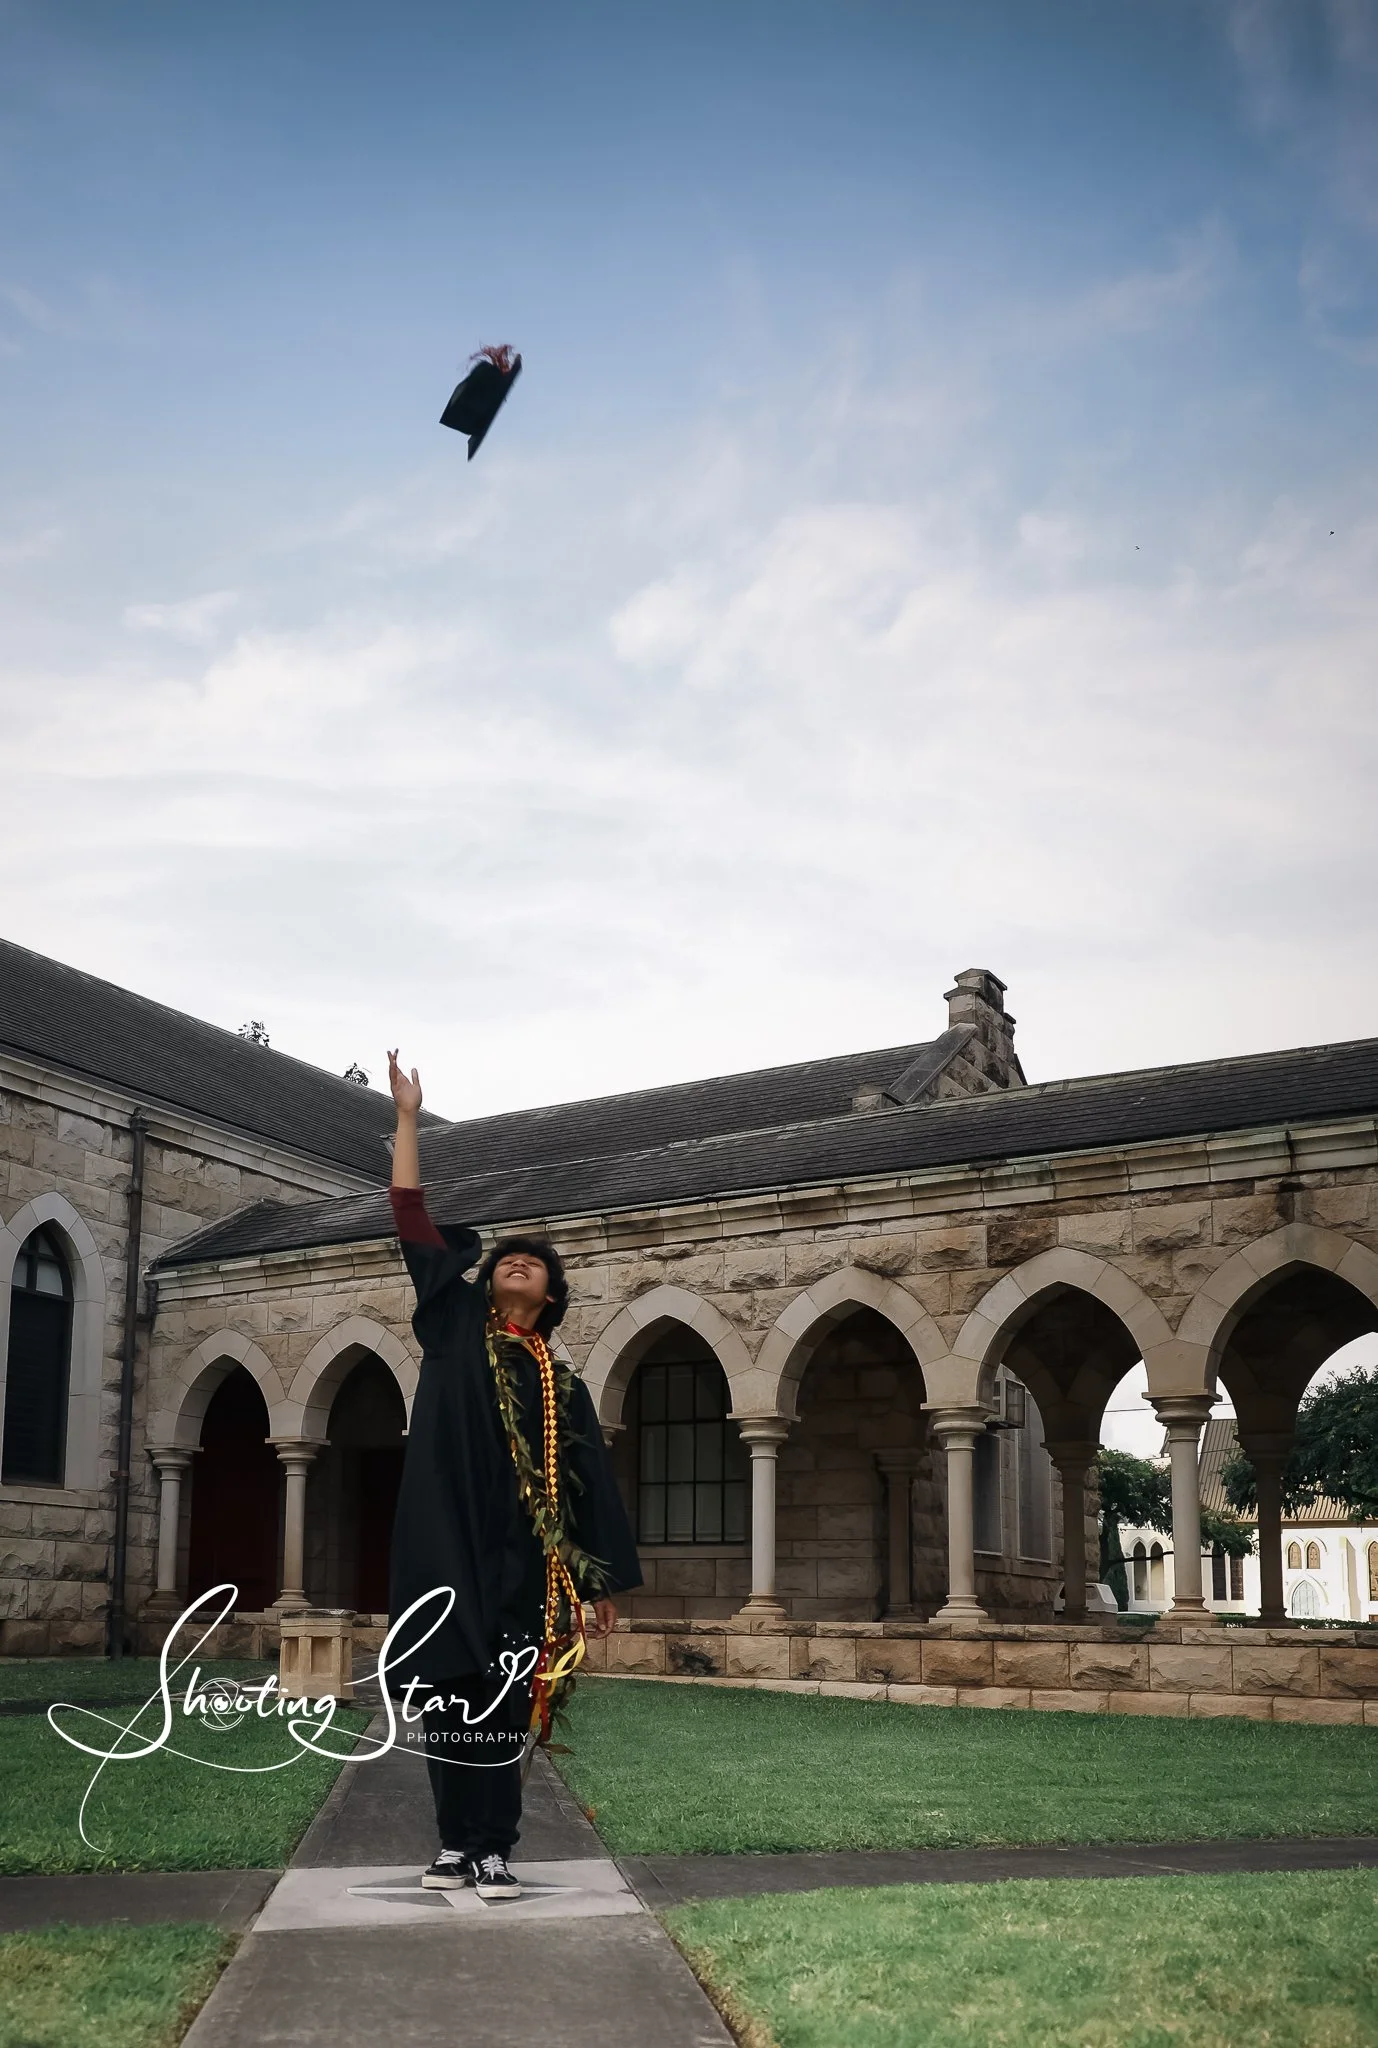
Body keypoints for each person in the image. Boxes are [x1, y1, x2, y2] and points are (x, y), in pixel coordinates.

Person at [383, 1049, 642, 1901]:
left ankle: (494, 1845)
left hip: (521, 1561)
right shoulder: (455, 1324)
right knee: (445, 1697)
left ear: (552, 1295)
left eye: (533, 1262)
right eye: (505, 1258)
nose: (516, 1262)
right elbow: (413, 1219)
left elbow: (588, 1485)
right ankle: (455, 1842)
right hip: (443, 1542)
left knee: (502, 1700)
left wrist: (598, 1582)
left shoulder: (561, 1384)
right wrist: (411, 1123)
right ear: (486, 1282)